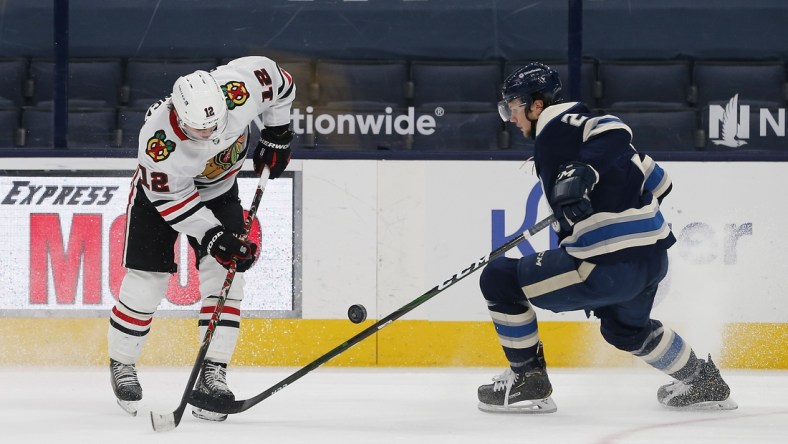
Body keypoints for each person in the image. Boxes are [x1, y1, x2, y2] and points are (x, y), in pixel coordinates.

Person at [476, 62, 737, 414]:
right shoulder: (580, 141)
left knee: (498, 278)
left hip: (606, 265)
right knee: (624, 330)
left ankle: (528, 381)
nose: (511, 118)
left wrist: (583, 171)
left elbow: (612, 128)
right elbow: (662, 182)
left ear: (537, 105)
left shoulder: (558, 128)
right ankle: (702, 381)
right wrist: (604, 192)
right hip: (653, 261)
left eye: (513, 108)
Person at [107, 56, 296, 421]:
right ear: (179, 117)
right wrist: (213, 236)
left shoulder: (240, 87)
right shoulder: (159, 143)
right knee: (148, 280)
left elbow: (282, 83)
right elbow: (172, 202)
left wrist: (277, 132)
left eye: (216, 126)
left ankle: (214, 373)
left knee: (226, 275)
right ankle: (123, 362)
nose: (210, 135)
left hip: (220, 191)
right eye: (199, 130)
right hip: (163, 198)